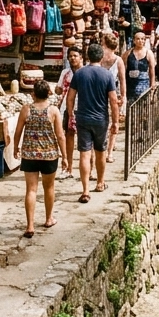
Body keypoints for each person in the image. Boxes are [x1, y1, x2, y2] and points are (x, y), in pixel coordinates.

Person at [12, 80, 68, 239]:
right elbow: (60, 136)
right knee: (49, 188)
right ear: (48, 93)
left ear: (33, 94)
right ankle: (49, 218)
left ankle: (30, 225)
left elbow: (18, 132)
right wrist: (64, 156)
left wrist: (16, 147)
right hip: (49, 155)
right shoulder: (53, 111)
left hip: (29, 154)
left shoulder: (26, 110)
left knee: (31, 190)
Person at [65, 43, 120, 203]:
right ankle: (100, 183)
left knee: (84, 153)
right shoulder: (107, 75)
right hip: (100, 119)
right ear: (101, 57)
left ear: (87, 57)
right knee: (100, 152)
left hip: (82, 117)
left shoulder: (80, 74)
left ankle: (85, 190)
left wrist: (70, 115)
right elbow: (113, 100)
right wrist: (115, 121)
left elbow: (70, 97)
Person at [55, 46, 84, 178]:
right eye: (70, 56)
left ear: (81, 57)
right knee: (69, 136)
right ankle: (69, 168)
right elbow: (59, 89)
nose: (73, 58)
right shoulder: (65, 73)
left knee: (86, 139)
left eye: (75, 56)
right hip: (68, 108)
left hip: (84, 107)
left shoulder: (85, 72)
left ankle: (90, 169)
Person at [100, 32, 127, 162]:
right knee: (106, 123)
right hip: (104, 93)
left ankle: (109, 151)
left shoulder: (118, 60)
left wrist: (123, 95)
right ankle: (106, 151)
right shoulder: (100, 58)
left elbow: (122, 79)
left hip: (112, 93)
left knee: (114, 122)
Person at [126, 31, 154, 103]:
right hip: (130, 84)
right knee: (131, 104)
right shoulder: (128, 53)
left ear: (145, 41)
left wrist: (152, 85)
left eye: (142, 39)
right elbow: (122, 67)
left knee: (143, 104)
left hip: (143, 83)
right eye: (138, 39)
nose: (140, 41)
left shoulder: (148, 53)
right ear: (134, 40)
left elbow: (151, 70)